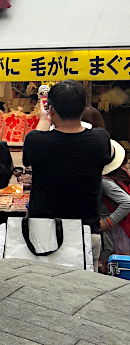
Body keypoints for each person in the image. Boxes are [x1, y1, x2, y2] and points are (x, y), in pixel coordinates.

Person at [24, 80, 113, 270]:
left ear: (51, 109)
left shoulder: (36, 141)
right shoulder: (99, 139)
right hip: (86, 232)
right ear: (83, 108)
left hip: (44, 235)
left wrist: (44, 120)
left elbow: (33, 146)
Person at [102, 142, 130, 259]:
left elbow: (127, 202)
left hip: (118, 230)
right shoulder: (122, 174)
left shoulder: (104, 181)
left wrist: (107, 222)